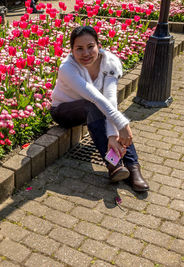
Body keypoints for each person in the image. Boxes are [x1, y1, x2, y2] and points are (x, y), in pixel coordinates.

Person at [50, 26, 149, 192]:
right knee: (98, 108)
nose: (86, 53)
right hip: (64, 111)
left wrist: (114, 133)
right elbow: (94, 97)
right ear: (72, 51)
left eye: (90, 46)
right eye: (79, 49)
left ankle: (133, 167)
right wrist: (121, 126)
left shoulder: (110, 62)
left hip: (93, 109)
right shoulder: (67, 68)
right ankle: (114, 164)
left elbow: (109, 98)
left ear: (99, 45)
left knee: (110, 114)